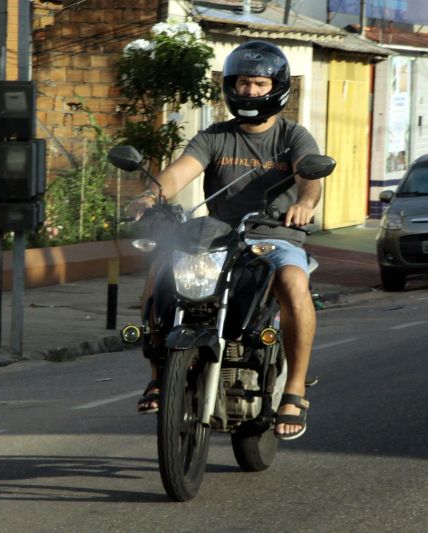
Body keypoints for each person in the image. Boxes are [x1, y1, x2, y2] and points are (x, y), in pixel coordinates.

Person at [127, 40, 322, 441]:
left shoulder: (293, 136)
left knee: (292, 281)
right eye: (242, 83)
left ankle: (295, 390)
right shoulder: (214, 136)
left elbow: (309, 176)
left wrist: (305, 203)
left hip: (274, 236)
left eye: (258, 83)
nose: (250, 91)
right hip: (216, 237)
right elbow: (180, 172)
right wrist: (151, 196)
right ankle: (158, 378)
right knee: (162, 268)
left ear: (276, 87)